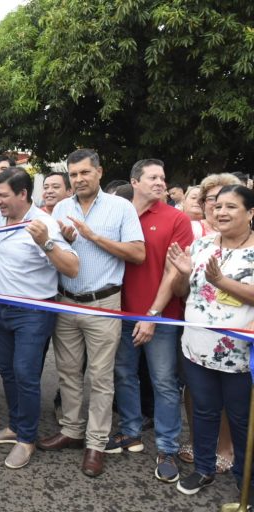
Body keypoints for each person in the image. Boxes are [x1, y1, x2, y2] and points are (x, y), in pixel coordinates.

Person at [38, 149, 145, 478]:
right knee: (68, 372)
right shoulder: (61, 207)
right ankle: (71, 430)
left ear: (99, 172)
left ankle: (96, 443)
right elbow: (58, 251)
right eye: (74, 174)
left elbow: (138, 253)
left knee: (101, 378)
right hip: (66, 301)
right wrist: (66, 240)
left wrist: (93, 237)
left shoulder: (121, 207)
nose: (79, 179)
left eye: (85, 172)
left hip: (103, 303)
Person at [0, 167, 78, 470]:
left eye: (3, 195)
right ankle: (15, 425)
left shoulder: (43, 223)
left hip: (33, 312)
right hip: (0, 309)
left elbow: (72, 267)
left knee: (25, 373)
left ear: (23, 194)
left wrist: (46, 243)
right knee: (8, 371)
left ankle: (27, 439)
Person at [108, 159, 194, 484]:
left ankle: (167, 447)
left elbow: (174, 271)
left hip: (161, 317)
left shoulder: (177, 218)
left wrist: (152, 315)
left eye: (163, 176)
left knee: (164, 383)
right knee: (124, 374)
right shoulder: (119, 214)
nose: (160, 182)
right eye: (153, 177)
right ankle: (130, 432)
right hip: (120, 312)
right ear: (135, 181)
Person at [167, 184, 254, 496]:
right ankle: (204, 469)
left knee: (241, 421)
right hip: (197, 348)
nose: (221, 212)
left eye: (231, 206)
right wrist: (181, 273)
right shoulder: (202, 244)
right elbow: (184, 294)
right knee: (203, 411)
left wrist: (221, 281)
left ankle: (247, 483)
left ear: (251, 213)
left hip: (239, 357)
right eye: (217, 206)